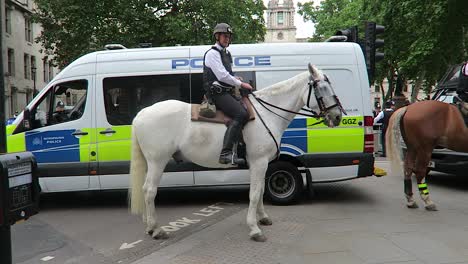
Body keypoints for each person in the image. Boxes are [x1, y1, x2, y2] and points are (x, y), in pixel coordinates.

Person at [203, 23, 253, 165]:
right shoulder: (212, 53)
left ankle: (242, 148)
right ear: (217, 36)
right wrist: (241, 84)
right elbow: (222, 76)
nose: (227, 39)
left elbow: (228, 74)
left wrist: (236, 79)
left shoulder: (226, 54)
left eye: (229, 37)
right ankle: (225, 153)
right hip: (217, 94)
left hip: (227, 92)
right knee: (241, 114)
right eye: (225, 36)